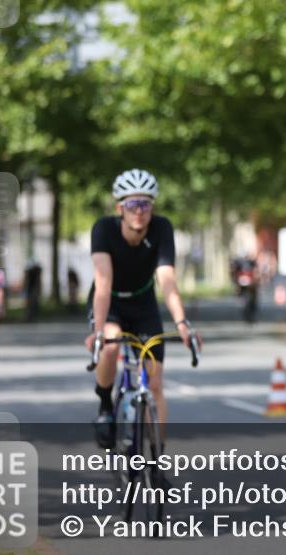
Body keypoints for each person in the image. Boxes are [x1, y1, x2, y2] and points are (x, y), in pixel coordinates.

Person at [84, 169, 201, 450]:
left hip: (143, 303)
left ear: (152, 207)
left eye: (145, 204)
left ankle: (157, 460)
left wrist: (183, 324)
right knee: (111, 347)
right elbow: (103, 282)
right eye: (132, 205)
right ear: (119, 208)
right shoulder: (103, 229)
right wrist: (98, 331)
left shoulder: (162, 228)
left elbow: (167, 280)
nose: (139, 211)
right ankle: (104, 406)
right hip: (110, 302)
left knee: (155, 382)